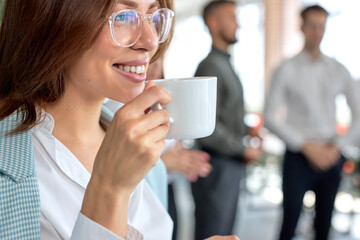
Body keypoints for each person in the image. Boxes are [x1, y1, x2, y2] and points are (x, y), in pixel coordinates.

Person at [0, 0, 239, 240]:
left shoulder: (145, 157)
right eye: (124, 17)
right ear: (53, 19)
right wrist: (110, 189)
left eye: (153, 18)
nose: (151, 42)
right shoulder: (9, 170)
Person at [264, 5, 360, 240]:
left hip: (331, 154)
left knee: (325, 225)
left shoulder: (338, 70)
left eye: (322, 26)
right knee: (289, 223)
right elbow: (269, 116)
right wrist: (306, 146)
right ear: (302, 27)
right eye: (313, 26)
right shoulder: (286, 69)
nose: (318, 32)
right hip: (298, 156)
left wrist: (336, 147)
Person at [104, 56, 213, 240]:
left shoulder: (164, 101)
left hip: (165, 186)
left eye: (161, 58)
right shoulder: (116, 111)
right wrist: (163, 163)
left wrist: (178, 156)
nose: (154, 65)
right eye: (154, 58)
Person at [191, 1, 262, 239]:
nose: (238, 23)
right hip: (217, 167)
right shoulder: (210, 66)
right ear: (213, 23)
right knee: (214, 232)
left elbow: (223, 113)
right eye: (232, 17)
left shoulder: (224, 64)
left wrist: (247, 129)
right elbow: (205, 127)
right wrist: (243, 148)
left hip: (229, 166)